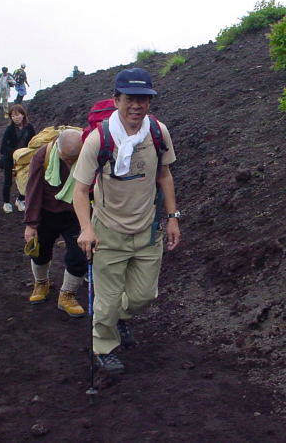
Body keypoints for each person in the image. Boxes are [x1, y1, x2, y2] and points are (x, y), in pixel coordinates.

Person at [73, 67, 181, 373]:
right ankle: (103, 346)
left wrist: (172, 218)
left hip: (148, 233)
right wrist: (87, 228)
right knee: (106, 302)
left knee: (143, 297)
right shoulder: (99, 139)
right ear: (116, 99)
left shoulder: (158, 133)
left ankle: (116, 319)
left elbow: (165, 175)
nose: (136, 105)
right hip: (108, 234)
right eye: (129, 98)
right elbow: (80, 191)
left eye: (143, 99)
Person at [24, 129, 88, 317]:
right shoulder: (42, 155)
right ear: (57, 148)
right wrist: (31, 224)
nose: (70, 162)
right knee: (40, 251)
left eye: (73, 158)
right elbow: (32, 190)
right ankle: (41, 283)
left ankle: (67, 294)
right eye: (66, 158)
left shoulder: (88, 154)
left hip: (76, 213)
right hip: (46, 212)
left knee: (79, 254)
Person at [0, 104, 35, 213]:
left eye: (18, 115)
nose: (16, 117)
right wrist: (13, 153)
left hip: (24, 158)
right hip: (10, 158)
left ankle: (20, 200)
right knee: (8, 181)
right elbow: (2, 147)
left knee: (25, 180)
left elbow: (34, 141)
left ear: (23, 115)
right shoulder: (9, 129)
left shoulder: (29, 127)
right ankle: (6, 203)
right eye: (13, 116)